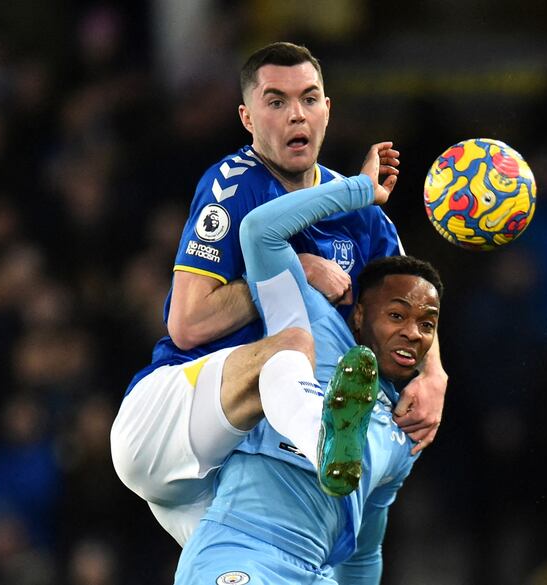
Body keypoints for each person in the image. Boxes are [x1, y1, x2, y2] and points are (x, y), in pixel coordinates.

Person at [110, 42, 447, 546]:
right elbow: (187, 322)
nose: (297, 116)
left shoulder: (364, 218)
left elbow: (411, 301)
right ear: (247, 118)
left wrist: (434, 374)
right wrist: (294, 271)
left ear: (327, 110)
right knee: (290, 344)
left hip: (240, 462)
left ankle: (318, 444)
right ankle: (322, 439)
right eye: (276, 102)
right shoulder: (235, 184)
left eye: (309, 99)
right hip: (171, 417)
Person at [174, 142, 443, 584]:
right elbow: (260, 230)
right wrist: (359, 191)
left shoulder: (403, 434)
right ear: (358, 313)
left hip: (314, 572)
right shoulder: (312, 324)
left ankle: (328, 438)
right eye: (396, 315)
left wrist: (436, 371)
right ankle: (319, 433)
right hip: (243, 551)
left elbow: (362, 554)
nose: (413, 333)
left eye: (427, 325)